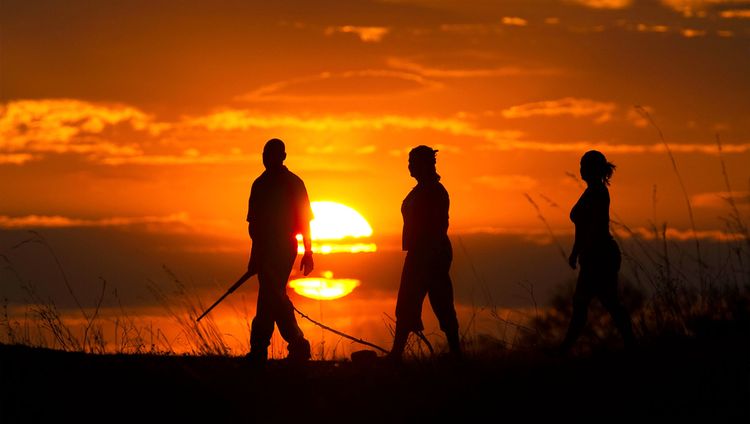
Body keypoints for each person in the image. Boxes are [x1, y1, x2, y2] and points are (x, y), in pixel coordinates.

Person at [387, 145, 462, 361]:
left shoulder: (434, 192)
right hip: (421, 251)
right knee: (411, 302)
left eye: (413, 162)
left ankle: (454, 352)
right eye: (409, 162)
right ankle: (397, 353)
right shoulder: (422, 190)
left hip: (430, 252)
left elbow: (436, 225)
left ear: (426, 165)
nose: (410, 166)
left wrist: (426, 254)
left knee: (439, 301)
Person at [245, 138, 314, 364]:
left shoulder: (293, 183)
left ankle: (268, 348)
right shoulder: (259, 184)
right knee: (271, 296)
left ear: (283, 156)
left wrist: (309, 252)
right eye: (265, 153)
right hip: (263, 249)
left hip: (285, 247)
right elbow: (254, 226)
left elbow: (304, 221)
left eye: (273, 153)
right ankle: (293, 345)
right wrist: (254, 256)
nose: (268, 158)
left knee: (270, 294)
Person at [559, 150, 635, 355]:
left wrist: (586, 252)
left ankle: (564, 349)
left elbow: (595, 226)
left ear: (593, 169)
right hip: (593, 255)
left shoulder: (599, 192)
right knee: (597, 302)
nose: (581, 169)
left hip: (600, 256)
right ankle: (632, 345)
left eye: (585, 165)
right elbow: (581, 227)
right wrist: (576, 252)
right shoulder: (591, 191)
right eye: (581, 165)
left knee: (591, 302)